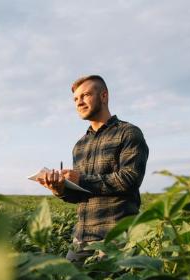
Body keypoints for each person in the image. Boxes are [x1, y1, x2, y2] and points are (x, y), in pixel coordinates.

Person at [38, 75, 149, 263]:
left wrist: (80, 179)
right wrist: (61, 189)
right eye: (75, 99)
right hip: (81, 239)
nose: (79, 102)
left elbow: (129, 179)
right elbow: (81, 195)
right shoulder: (80, 145)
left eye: (85, 95)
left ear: (104, 96)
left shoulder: (128, 133)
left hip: (117, 238)